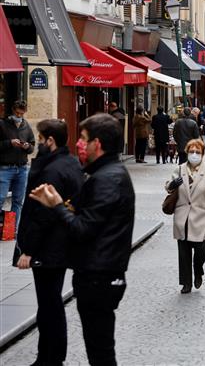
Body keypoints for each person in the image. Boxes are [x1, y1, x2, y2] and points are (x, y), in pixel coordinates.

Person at [29, 113, 135, 365]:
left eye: (84, 139)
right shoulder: (105, 174)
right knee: (100, 350)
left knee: (100, 353)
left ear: (96, 144)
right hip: (99, 274)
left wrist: (57, 206)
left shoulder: (107, 178)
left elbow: (82, 229)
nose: (79, 144)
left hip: (99, 276)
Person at [14, 119, 84, 366]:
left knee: (49, 304)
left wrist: (28, 250)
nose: (38, 144)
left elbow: (42, 214)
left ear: (50, 141)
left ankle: (52, 358)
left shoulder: (52, 170)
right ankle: (47, 355)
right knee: (49, 302)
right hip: (61, 243)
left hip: (49, 246)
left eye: (40, 139)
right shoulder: (70, 163)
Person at [166, 139, 205, 294]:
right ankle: (186, 283)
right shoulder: (179, 169)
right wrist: (171, 185)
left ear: (202, 153)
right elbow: (168, 185)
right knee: (183, 251)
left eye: (197, 152)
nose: (194, 154)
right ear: (187, 152)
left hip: (201, 217)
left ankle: (198, 269)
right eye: (191, 151)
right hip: (182, 216)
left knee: (201, 250)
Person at [0, 100, 35, 227]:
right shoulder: (2, 124)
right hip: (5, 168)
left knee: (18, 201)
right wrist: (9, 143)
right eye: (17, 113)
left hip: (22, 169)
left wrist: (27, 146)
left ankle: (11, 230)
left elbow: (32, 146)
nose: (19, 116)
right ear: (13, 110)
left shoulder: (26, 126)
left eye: (22, 113)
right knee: (0, 199)